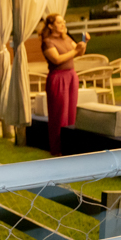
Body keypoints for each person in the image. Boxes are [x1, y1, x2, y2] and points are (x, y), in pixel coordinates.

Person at [40, 13, 87, 156]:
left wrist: (83, 44)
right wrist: (75, 50)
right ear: (51, 26)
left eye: (63, 22)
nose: (63, 24)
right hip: (58, 78)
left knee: (71, 112)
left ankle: (69, 147)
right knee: (59, 114)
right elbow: (57, 59)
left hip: (71, 75)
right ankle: (57, 149)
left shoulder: (66, 38)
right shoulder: (48, 42)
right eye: (59, 22)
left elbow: (79, 53)